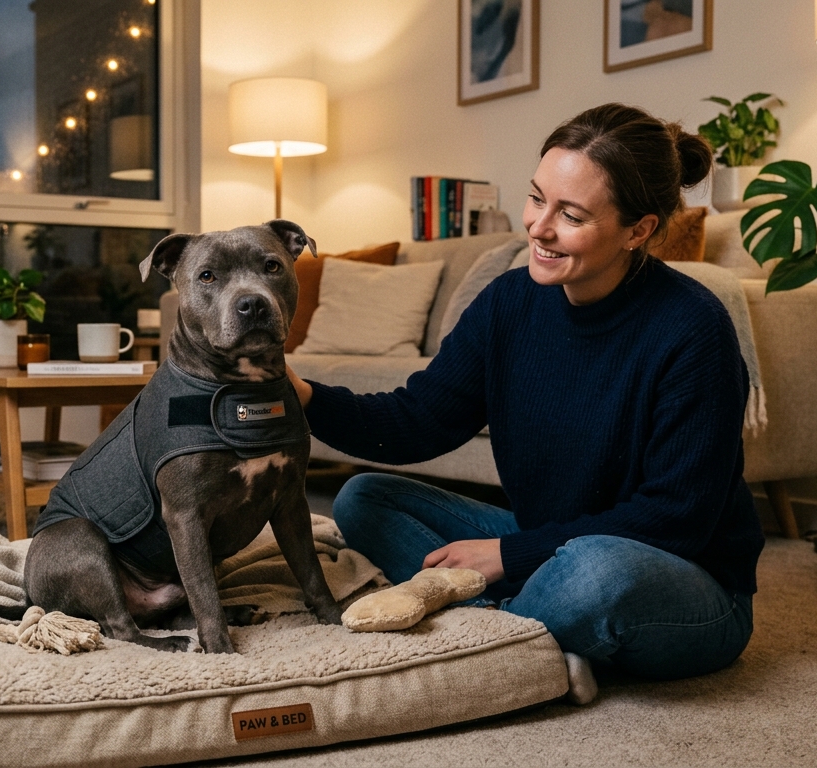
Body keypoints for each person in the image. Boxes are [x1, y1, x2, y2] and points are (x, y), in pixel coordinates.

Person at [287, 103, 764, 691]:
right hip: (552, 542)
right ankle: (529, 637)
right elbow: (417, 420)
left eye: (572, 214)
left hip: (680, 577)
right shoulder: (509, 301)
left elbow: (675, 518)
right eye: (538, 198)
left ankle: (491, 640)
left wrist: (508, 557)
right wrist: (301, 397)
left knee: (595, 574)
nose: (538, 228)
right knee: (364, 498)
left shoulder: (693, 329)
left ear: (638, 230)